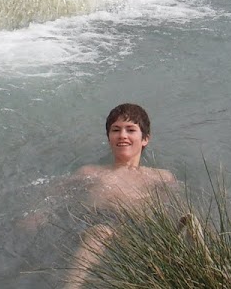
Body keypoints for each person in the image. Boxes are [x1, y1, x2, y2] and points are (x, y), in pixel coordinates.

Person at [63, 103, 178, 287]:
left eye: (130, 130)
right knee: (100, 233)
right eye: (116, 130)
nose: (122, 135)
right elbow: (52, 192)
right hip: (98, 223)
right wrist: (39, 214)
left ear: (145, 139)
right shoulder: (89, 172)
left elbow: (174, 210)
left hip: (141, 231)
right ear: (109, 138)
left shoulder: (161, 177)